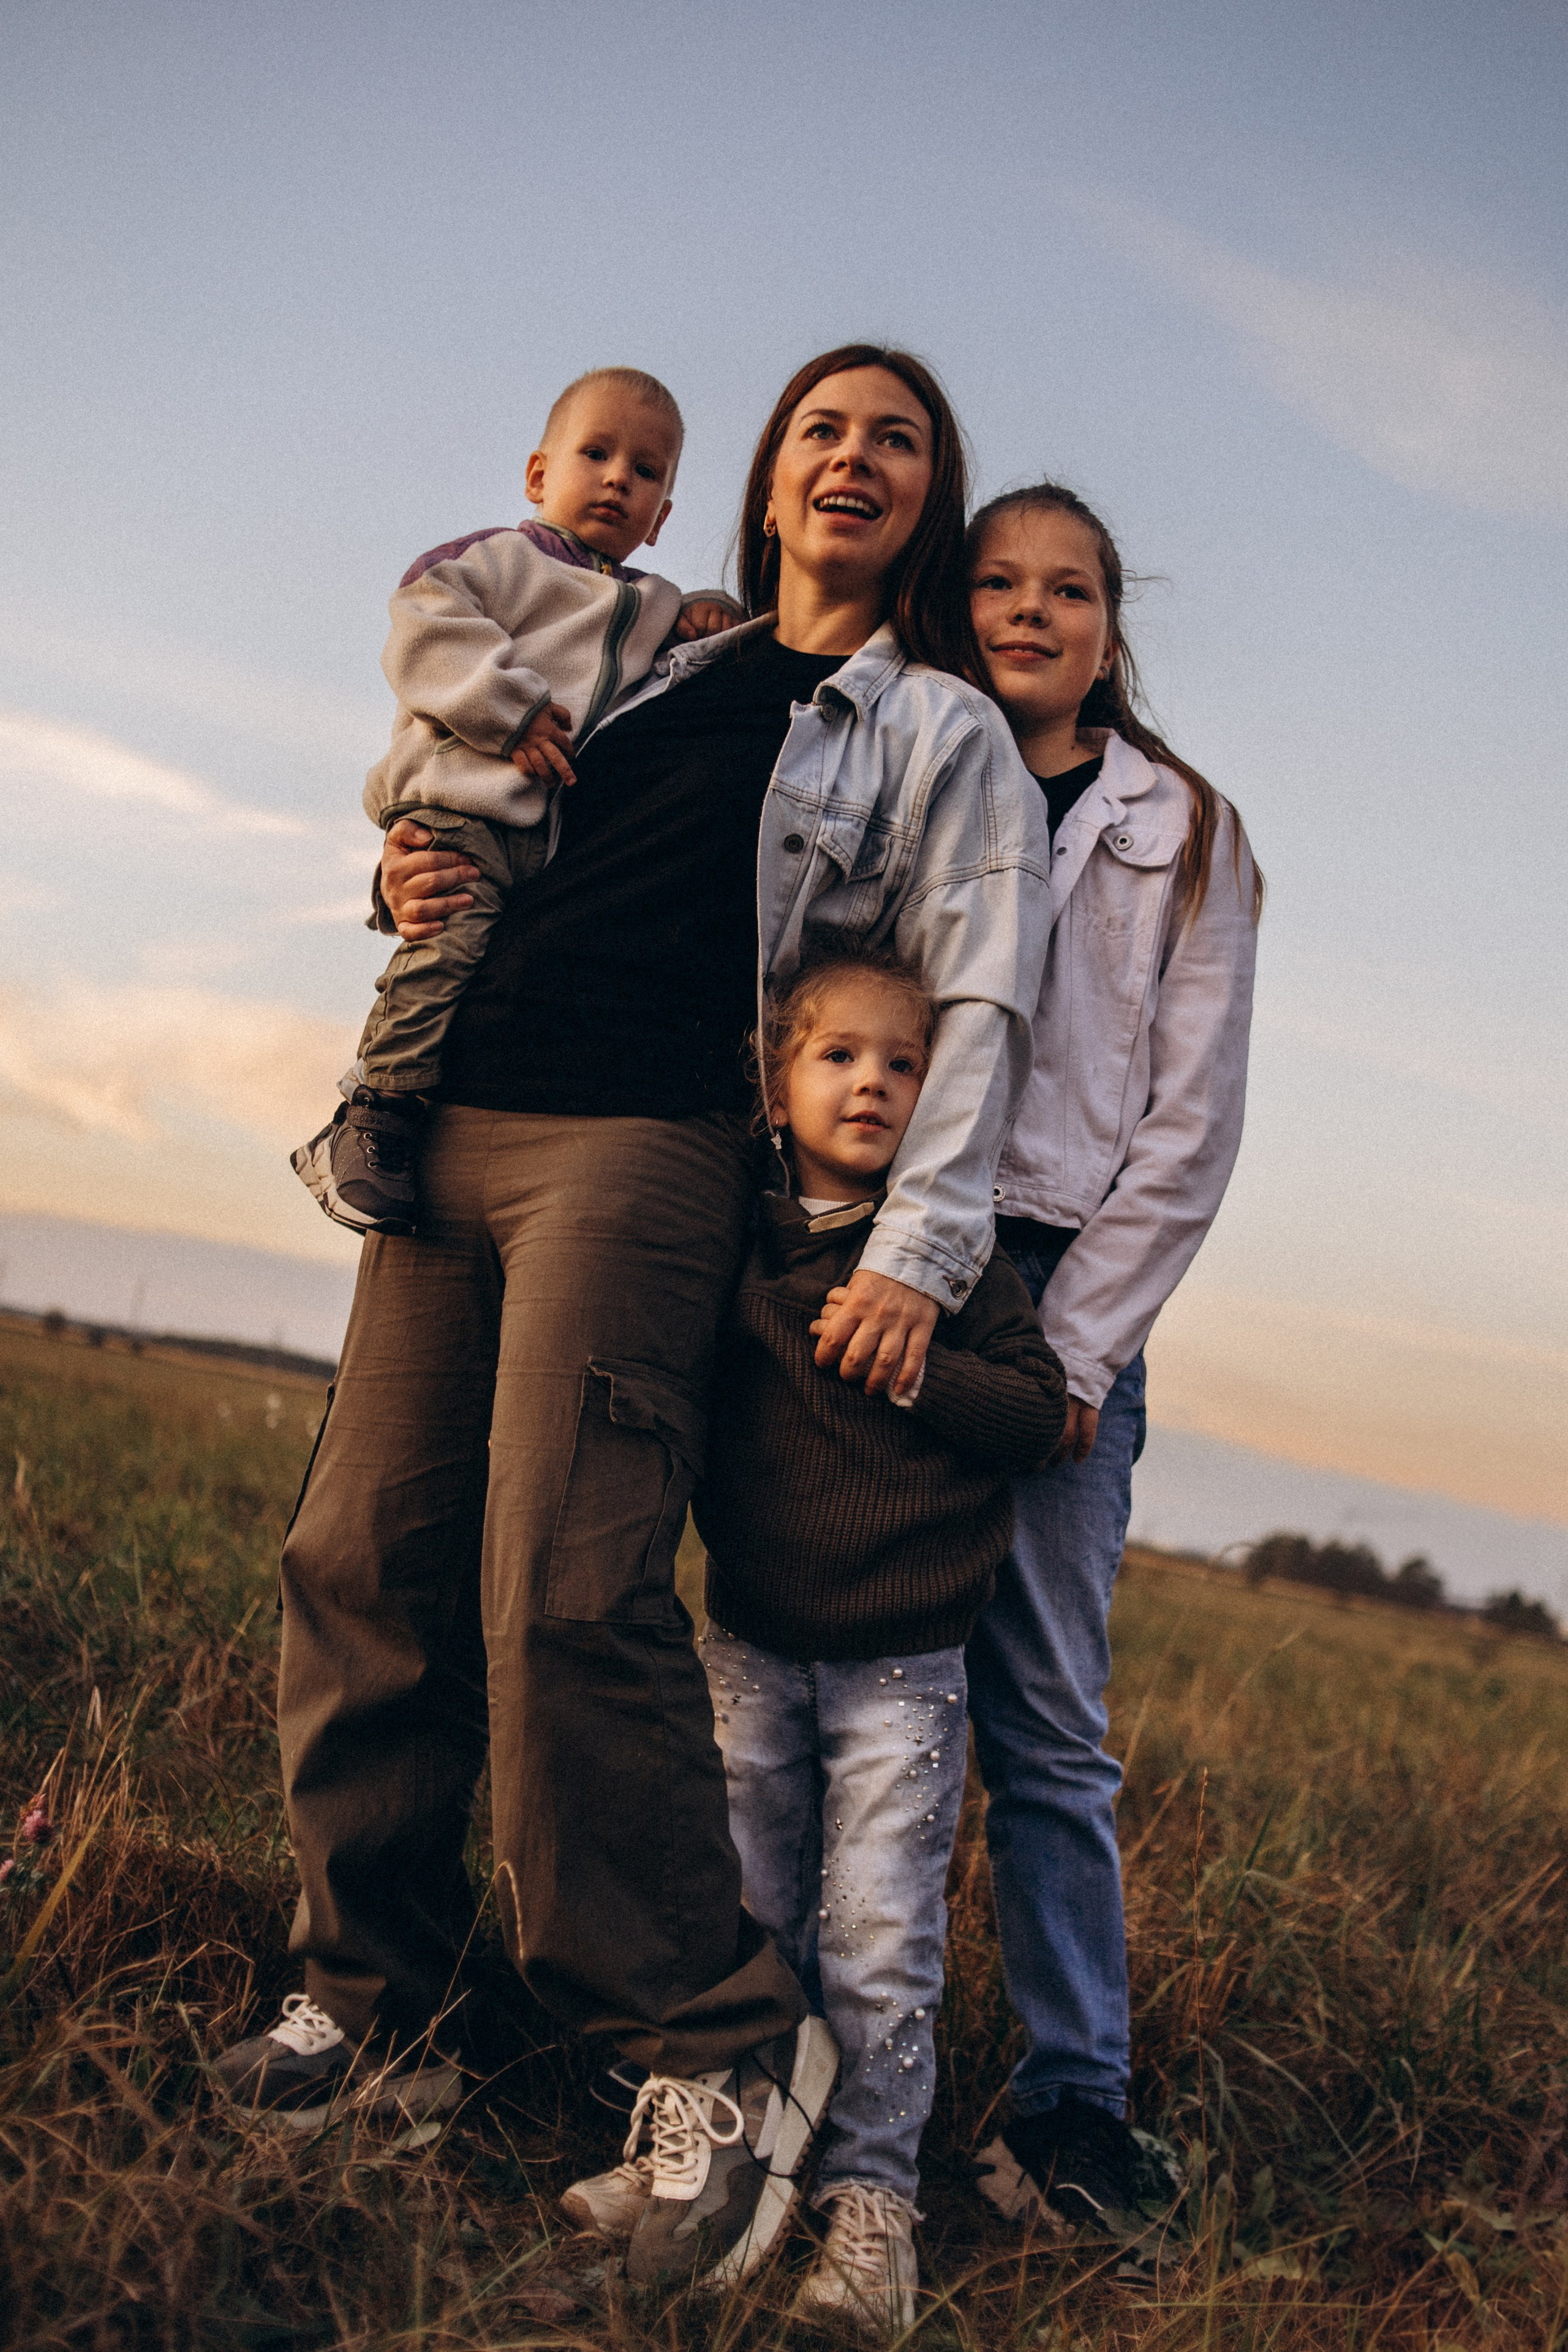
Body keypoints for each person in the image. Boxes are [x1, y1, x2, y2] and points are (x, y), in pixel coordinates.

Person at [217, 347, 1052, 2294]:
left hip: (647, 1143)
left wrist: (920, 1254)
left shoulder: (933, 727)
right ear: (768, 473)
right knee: (361, 1557)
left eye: (899, 439)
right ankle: (376, 2000)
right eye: (825, 426)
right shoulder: (653, 650)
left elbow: (982, 1002)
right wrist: (409, 870)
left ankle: (715, 2050)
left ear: (926, 498)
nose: (855, 457)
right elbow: (492, 797)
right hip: (456, 1112)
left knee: (563, 1593)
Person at [960, 483, 1262, 2248]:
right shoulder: (906, 758)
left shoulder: (1186, 828)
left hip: (1059, 1280)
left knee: (1048, 1724)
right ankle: (800, 2046)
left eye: (1066, 588)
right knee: (838, 1683)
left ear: (1108, 628)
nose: (1030, 609)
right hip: (888, 1260)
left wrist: (1076, 1349)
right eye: (997, 582)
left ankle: (1073, 2102)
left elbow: (1190, 1125)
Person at [689, 948, 1065, 2334]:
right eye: (839, 1056)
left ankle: (870, 2204)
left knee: (880, 1938)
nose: (872, 1084)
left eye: (904, 1065)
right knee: (743, 1914)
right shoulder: (735, 1229)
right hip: (749, 1644)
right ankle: (728, 2165)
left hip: (900, 1666)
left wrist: (920, 1366)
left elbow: (1034, 1414)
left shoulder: (950, 1253)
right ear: (775, 1079)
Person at [290, 364, 739, 1236]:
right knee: (446, 945)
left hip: (550, 837)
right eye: (596, 454)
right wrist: (512, 711)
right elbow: (424, 629)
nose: (618, 479)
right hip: (461, 804)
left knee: (492, 972)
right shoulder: (496, 561)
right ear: (539, 474)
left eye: (646, 471)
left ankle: (419, 1113)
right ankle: (373, 1111)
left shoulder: (649, 603)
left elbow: (677, 656)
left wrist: (710, 610)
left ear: (662, 517)